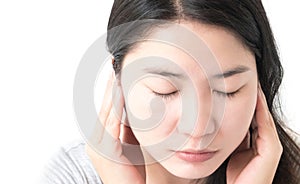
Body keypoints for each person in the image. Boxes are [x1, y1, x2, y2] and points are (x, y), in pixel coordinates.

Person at [41, 1, 300, 184]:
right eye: (164, 91)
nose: (198, 129)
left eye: (227, 91)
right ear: (118, 79)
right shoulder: (72, 176)